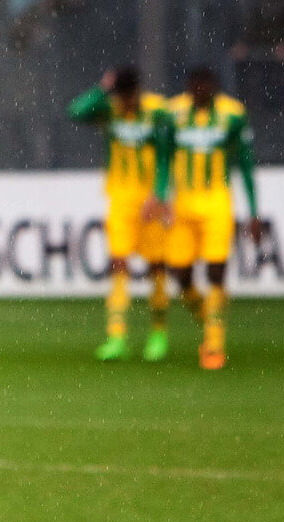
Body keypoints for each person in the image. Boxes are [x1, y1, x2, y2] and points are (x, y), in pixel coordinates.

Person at [152, 66, 262, 370]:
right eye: (195, 86)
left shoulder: (233, 114)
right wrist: (160, 195)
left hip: (216, 203)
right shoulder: (172, 114)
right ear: (189, 88)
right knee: (180, 274)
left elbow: (247, 165)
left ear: (214, 87)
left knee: (216, 272)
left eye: (206, 86)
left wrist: (253, 211)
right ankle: (208, 315)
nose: (200, 91)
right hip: (183, 205)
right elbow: (163, 159)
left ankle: (213, 344)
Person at [69, 67, 171, 362]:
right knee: (119, 263)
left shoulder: (157, 113)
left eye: (129, 95)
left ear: (138, 90)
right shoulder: (110, 109)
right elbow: (75, 111)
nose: (126, 102)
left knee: (157, 267)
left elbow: (165, 156)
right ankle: (117, 335)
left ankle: (158, 333)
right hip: (120, 200)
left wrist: (160, 194)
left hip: (150, 202)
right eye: (121, 95)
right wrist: (103, 88)